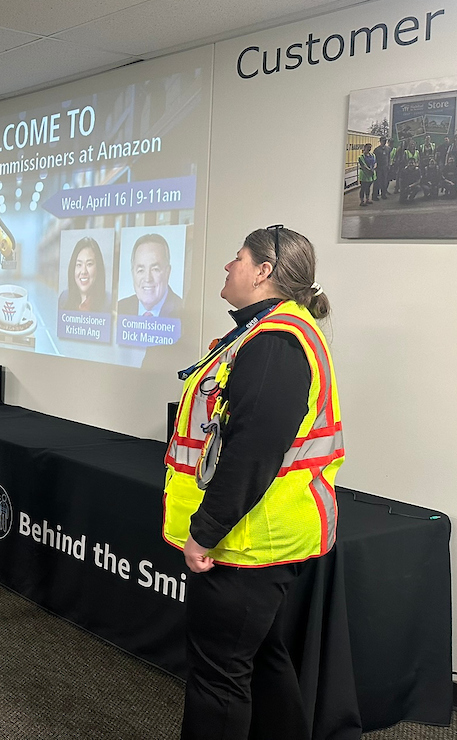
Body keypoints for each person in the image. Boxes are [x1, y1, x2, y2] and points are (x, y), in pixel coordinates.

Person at [164, 225, 343, 740]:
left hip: (247, 542)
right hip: (255, 536)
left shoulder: (276, 343)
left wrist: (206, 530)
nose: (228, 266)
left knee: (217, 681)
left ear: (264, 272)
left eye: (237, 257)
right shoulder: (266, 332)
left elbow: (251, 454)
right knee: (260, 661)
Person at [116, 232, 183, 317]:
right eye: (140, 270)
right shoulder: (120, 308)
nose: (148, 279)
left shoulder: (183, 312)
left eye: (155, 269)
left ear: (167, 272)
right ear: (133, 274)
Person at [57, 235, 109, 312]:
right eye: (79, 265)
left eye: (89, 264)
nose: (83, 271)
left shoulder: (109, 303)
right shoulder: (63, 298)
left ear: (98, 267)